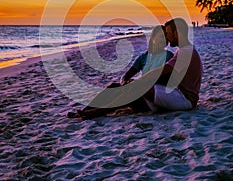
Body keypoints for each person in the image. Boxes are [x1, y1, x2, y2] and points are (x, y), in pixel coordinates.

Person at [70, 18, 203, 119]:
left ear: (177, 33)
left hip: (185, 99)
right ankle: (90, 110)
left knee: (137, 88)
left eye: (168, 34)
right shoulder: (185, 51)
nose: (167, 38)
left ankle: (96, 112)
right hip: (178, 95)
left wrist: (139, 82)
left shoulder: (186, 52)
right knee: (120, 87)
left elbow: (161, 72)